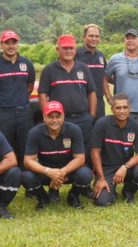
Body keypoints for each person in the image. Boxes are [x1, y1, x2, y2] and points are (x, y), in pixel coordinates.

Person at [37, 34, 96, 200]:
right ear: (58, 49)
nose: (68, 51)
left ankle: (83, 186)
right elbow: (43, 95)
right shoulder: (49, 69)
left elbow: (91, 92)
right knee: (57, 153)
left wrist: (91, 115)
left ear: (75, 50)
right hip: (60, 120)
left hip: (83, 119)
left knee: (84, 153)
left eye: (71, 48)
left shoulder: (83, 68)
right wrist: (47, 117)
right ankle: (54, 187)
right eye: (65, 48)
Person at [22, 101, 93, 210]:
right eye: (50, 117)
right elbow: (28, 161)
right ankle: (42, 198)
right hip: (46, 172)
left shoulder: (74, 129)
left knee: (85, 174)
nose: (54, 120)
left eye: (58, 116)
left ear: (63, 116)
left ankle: (73, 196)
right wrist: (48, 172)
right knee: (27, 177)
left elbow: (80, 159)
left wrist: (61, 173)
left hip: (68, 171)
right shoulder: (34, 132)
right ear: (44, 117)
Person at [0, 30, 36, 169]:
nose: (11, 46)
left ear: (17, 44)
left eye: (13, 42)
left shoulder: (27, 64)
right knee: (3, 148)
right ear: (1, 44)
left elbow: (29, 86)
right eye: (7, 43)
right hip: (2, 114)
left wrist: (19, 98)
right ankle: (6, 179)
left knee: (26, 147)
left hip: (24, 112)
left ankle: (28, 179)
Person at [91, 94, 138, 206]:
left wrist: (125, 167)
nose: (122, 111)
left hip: (126, 167)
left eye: (125, 107)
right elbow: (95, 153)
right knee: (103, 202)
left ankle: (128, 190)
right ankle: (111, 189)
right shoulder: (101, 124)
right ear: (112, 109)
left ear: (130, 109)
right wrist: (101, 178)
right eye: (118, 108)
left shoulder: (137, 127)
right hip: (107, 168)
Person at [104, 29, 138, 145]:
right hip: (121, 110)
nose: (130, 40)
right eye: (128, 38)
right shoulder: (115, 59)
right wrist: (109, 98)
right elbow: (105, 78)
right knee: (120, 143)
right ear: (124, 40)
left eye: (134, 38)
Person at [75, 24, 108, 123]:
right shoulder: (75, 54)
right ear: (84, 37)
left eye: (97, 36)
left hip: (99, 101)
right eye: (91, 36)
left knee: (99, 131)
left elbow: (104, 77)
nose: (94, 39)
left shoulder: (101, 56)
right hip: (81, 101)